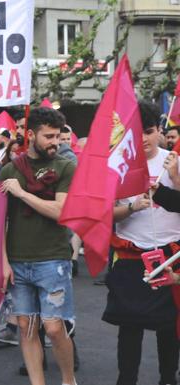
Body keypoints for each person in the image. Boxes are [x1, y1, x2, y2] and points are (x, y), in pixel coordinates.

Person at [103, 101, 180, 385]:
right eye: (136, 133)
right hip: (131, 255)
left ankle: (168, 378)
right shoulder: (117, 163)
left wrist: (175, 178)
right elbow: (104, 212)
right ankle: (127, 379)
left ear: (159, 130)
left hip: (171, 256)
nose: (143, 139)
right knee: (129, 326)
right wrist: (132, 207)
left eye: (148, 131)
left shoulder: (174, 160)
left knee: (169, 328)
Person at [0, 107, 77, 385]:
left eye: (58, 135)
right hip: (17, 262)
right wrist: (3, 262)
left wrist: (21, 193)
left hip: (53, 260)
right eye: (49, 136)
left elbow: (60, 211)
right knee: (25, 327)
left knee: (55, 329)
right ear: (30, 135)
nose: (55, 141)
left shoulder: (66, 166)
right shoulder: (8, 170)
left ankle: (68, 381)